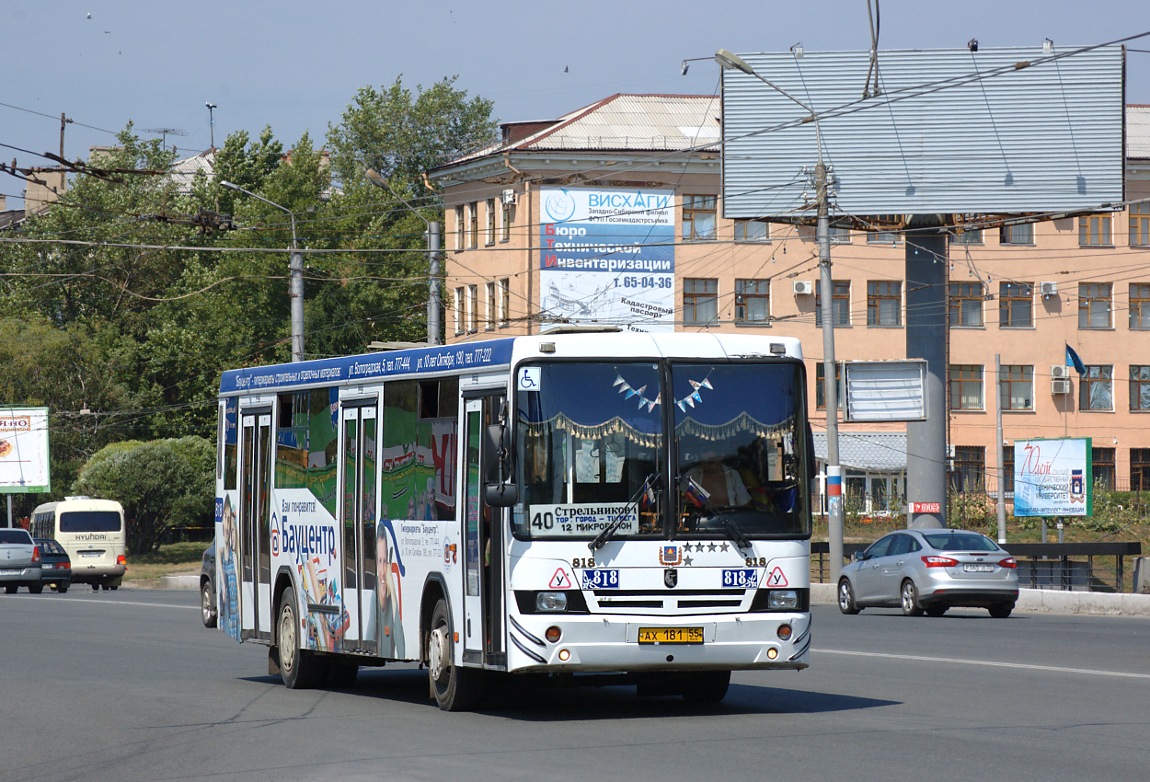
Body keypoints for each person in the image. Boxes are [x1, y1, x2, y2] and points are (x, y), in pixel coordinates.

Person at [685, 448, 751, 507]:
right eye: (703, 462)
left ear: (721, 457)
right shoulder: (692, 475)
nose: (705, 466)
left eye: (710, 462)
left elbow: (745, 505)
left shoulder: (732, 475)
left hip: (728, 519)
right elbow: (680, 499)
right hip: (700, 520)